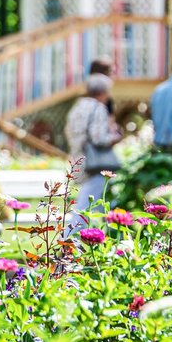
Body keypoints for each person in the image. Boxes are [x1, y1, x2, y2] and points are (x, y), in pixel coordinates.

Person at [65, 73, 120, 234]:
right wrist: (115, 137)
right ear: (103, 92)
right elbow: (98, 138)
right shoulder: (98, 107)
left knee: (86, 201)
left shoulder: (78, 106)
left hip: (78, 157)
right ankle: (69, 239)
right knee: (85, 205)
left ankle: (78, 238)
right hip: (94, 163)